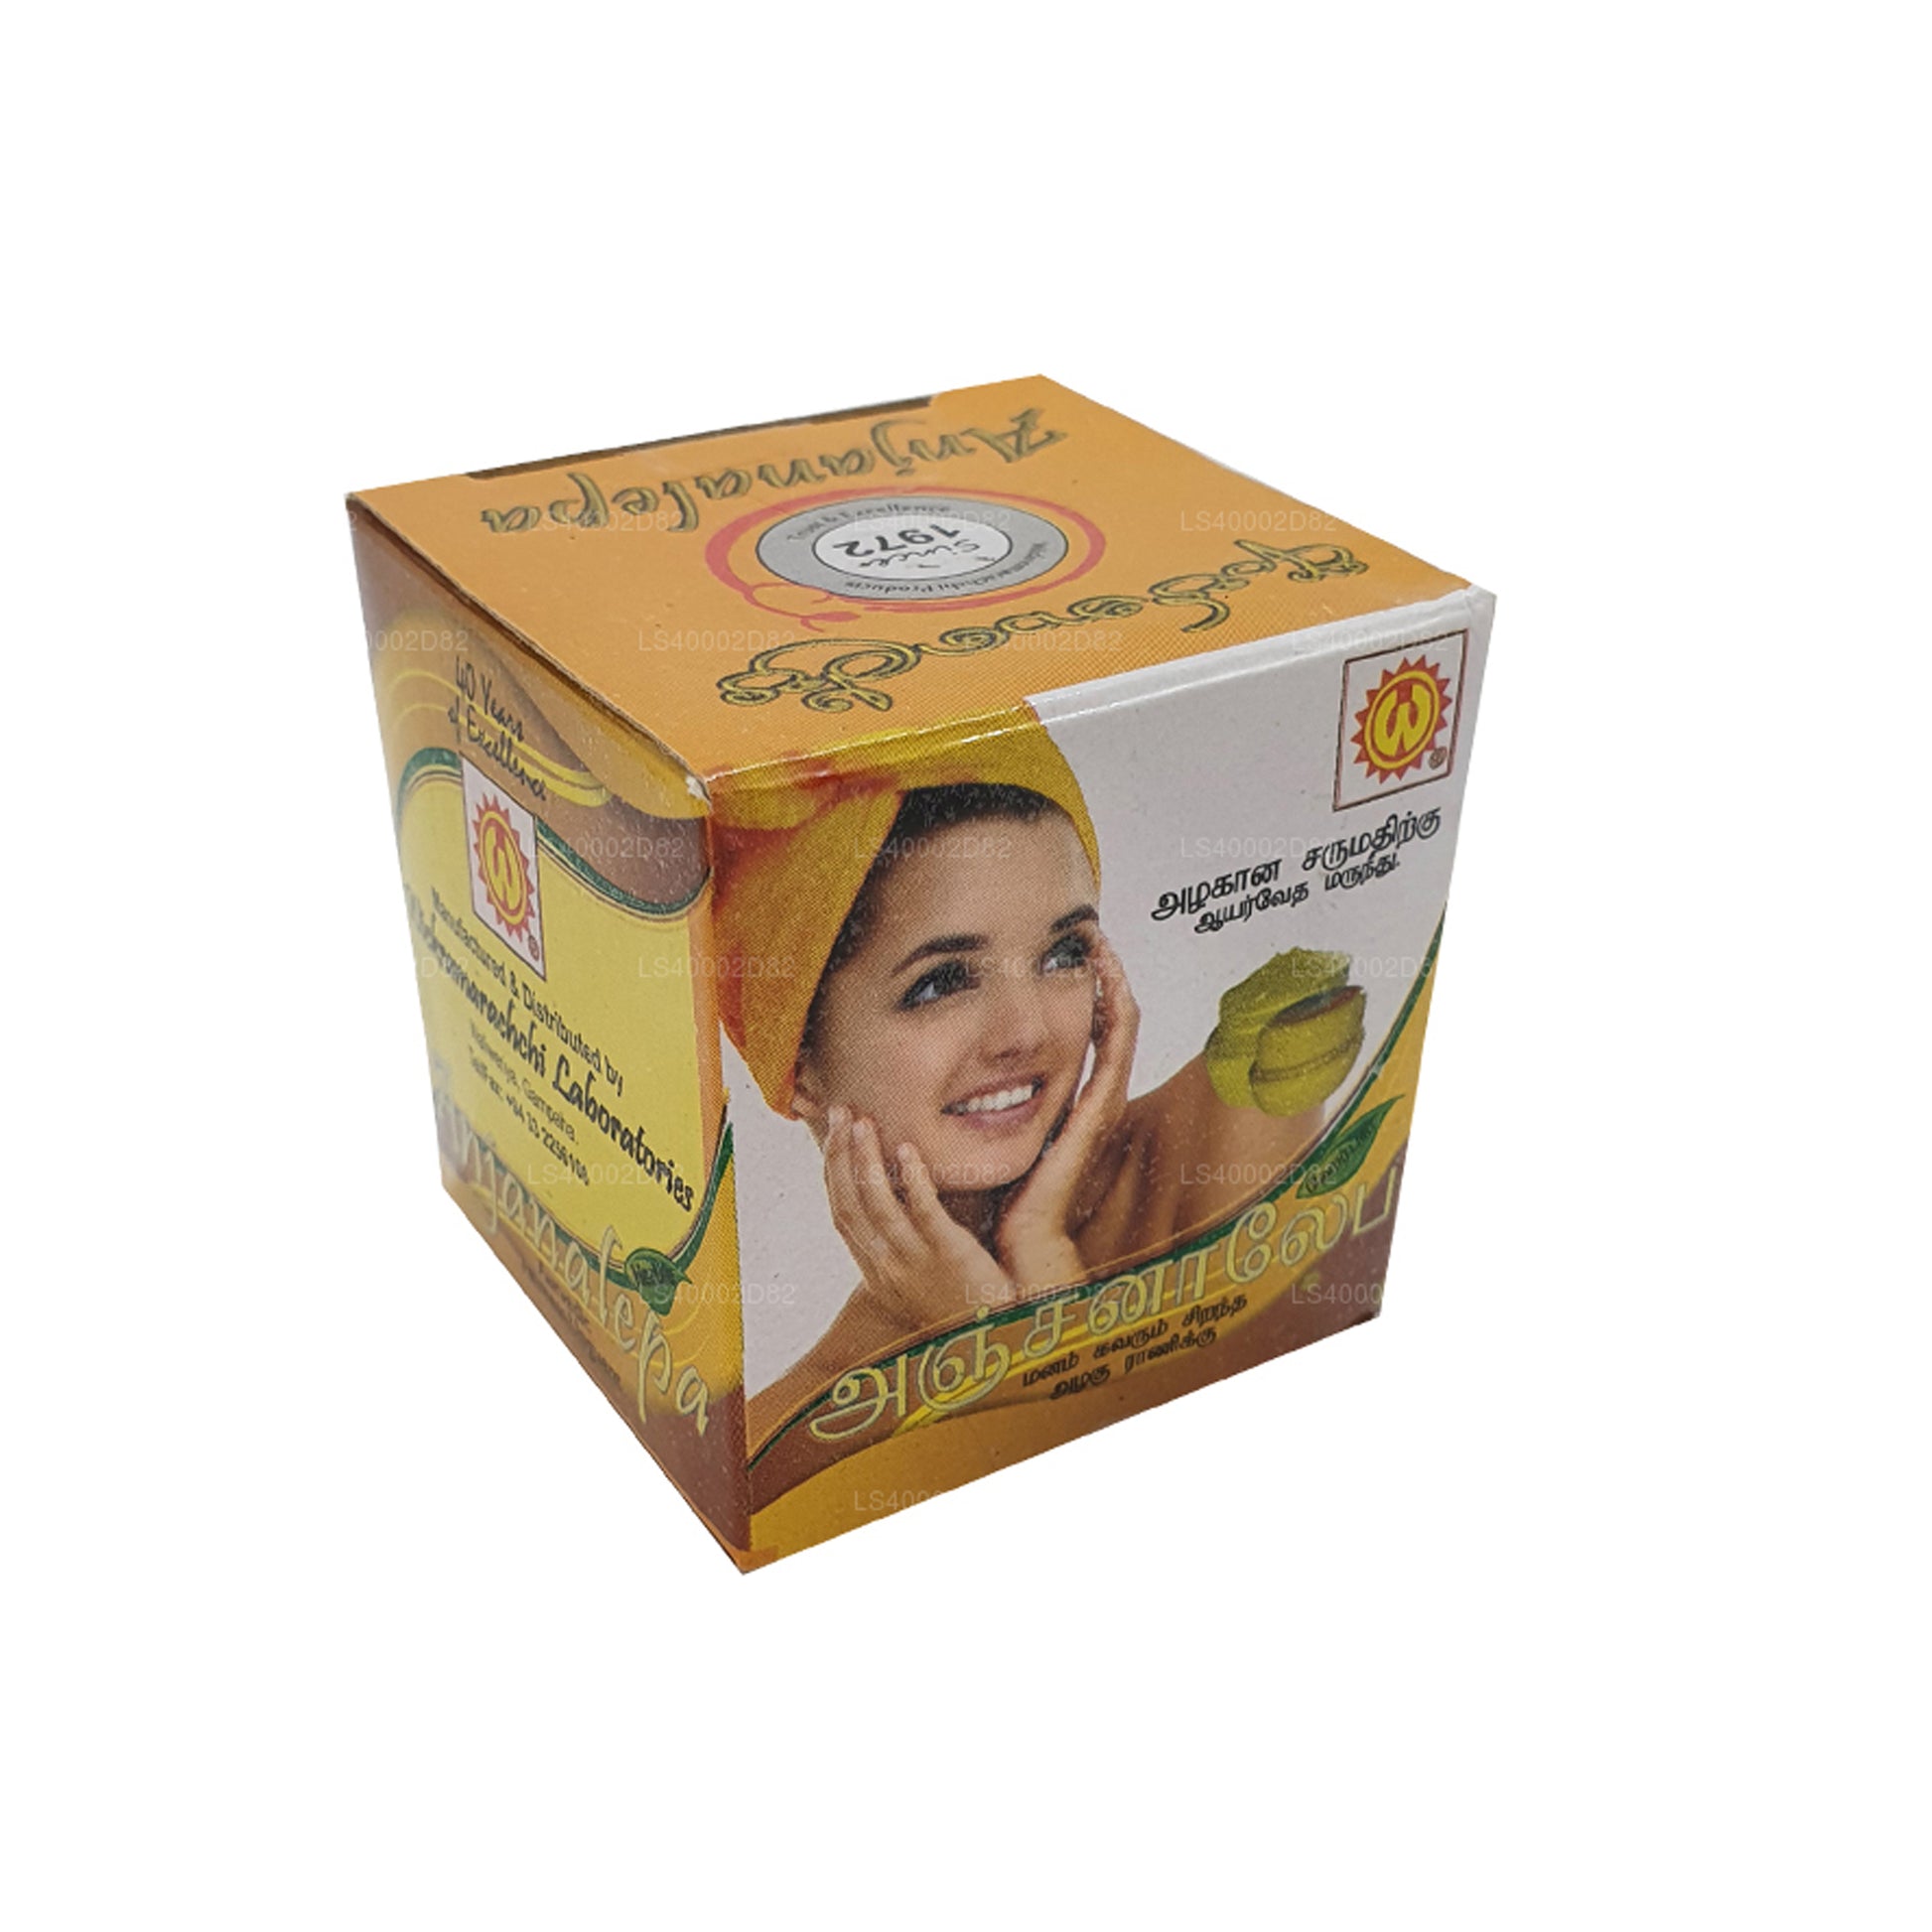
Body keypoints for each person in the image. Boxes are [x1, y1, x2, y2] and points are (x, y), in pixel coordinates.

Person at [708, 718, 1328, 1447]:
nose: (1026, 1032)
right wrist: (986, 1334)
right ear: (800, 1065)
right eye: (942, 982)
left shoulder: (1237, 1121)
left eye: (1063, 954)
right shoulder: (786, 1438)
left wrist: (1034, 1252)